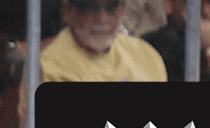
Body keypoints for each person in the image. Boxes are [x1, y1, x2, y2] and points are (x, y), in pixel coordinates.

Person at [40, 0, 168, 81]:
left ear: (122, 10)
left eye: (111, 7)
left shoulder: (146, 56)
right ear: (67, 10)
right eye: (90, 7)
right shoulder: (48, 65)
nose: (102, 20)